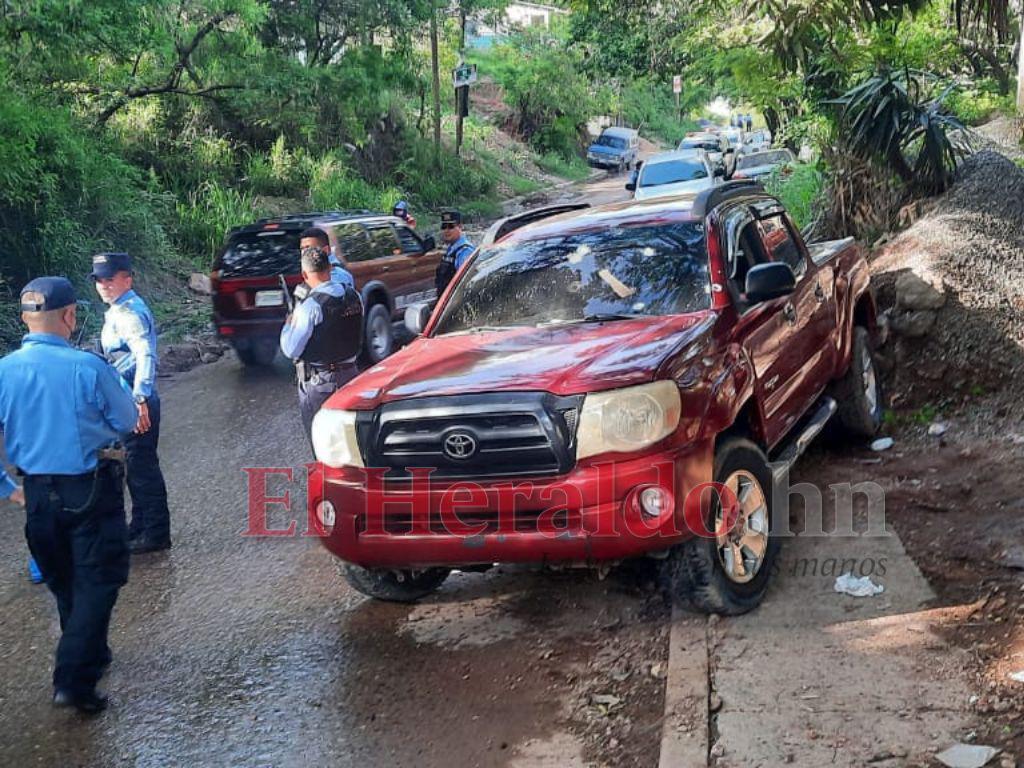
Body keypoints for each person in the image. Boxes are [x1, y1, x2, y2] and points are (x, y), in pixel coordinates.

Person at [0, 277, 138, 713]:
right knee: (99, 580)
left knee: (63, 578)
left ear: (24, 318)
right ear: (70, 315)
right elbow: (126, 418)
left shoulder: (4, 371)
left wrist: (8, 488)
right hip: (90, 489)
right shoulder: (88, 367)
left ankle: (90, 653)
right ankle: (73, 679)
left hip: (37, 493)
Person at [91, 252, 171, 554]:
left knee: (142, 468)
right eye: (99, 279)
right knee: (135, 467)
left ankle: (156, 533)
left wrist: (139, 399)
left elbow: (145, 356)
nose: (103, 285)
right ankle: (139, 527)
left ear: (127, 278)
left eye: (109, 279)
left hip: (135, 401)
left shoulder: (130, 313)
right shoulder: (117, 309)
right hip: (125, 399)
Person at [280, 243, 363, 450]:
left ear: (304, 275)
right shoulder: (354, 295)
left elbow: (291, 349)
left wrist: (288, 325)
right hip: (352, 375)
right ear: (330, 268)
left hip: (321, 383)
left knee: (324, 445)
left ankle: (326, 481)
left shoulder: (310, 306)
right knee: (353, 441)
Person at [300, 227, 355, 292]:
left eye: (309, 248)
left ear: (326, 250)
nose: (304, 253)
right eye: (302, 249)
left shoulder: (335, 277)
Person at [435, 210, 476, 296]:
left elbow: (466, 284)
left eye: (451, 226)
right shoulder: (451, 249)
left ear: (460, 227)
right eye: (444, 226)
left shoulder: (465, 251)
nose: (446, 230)